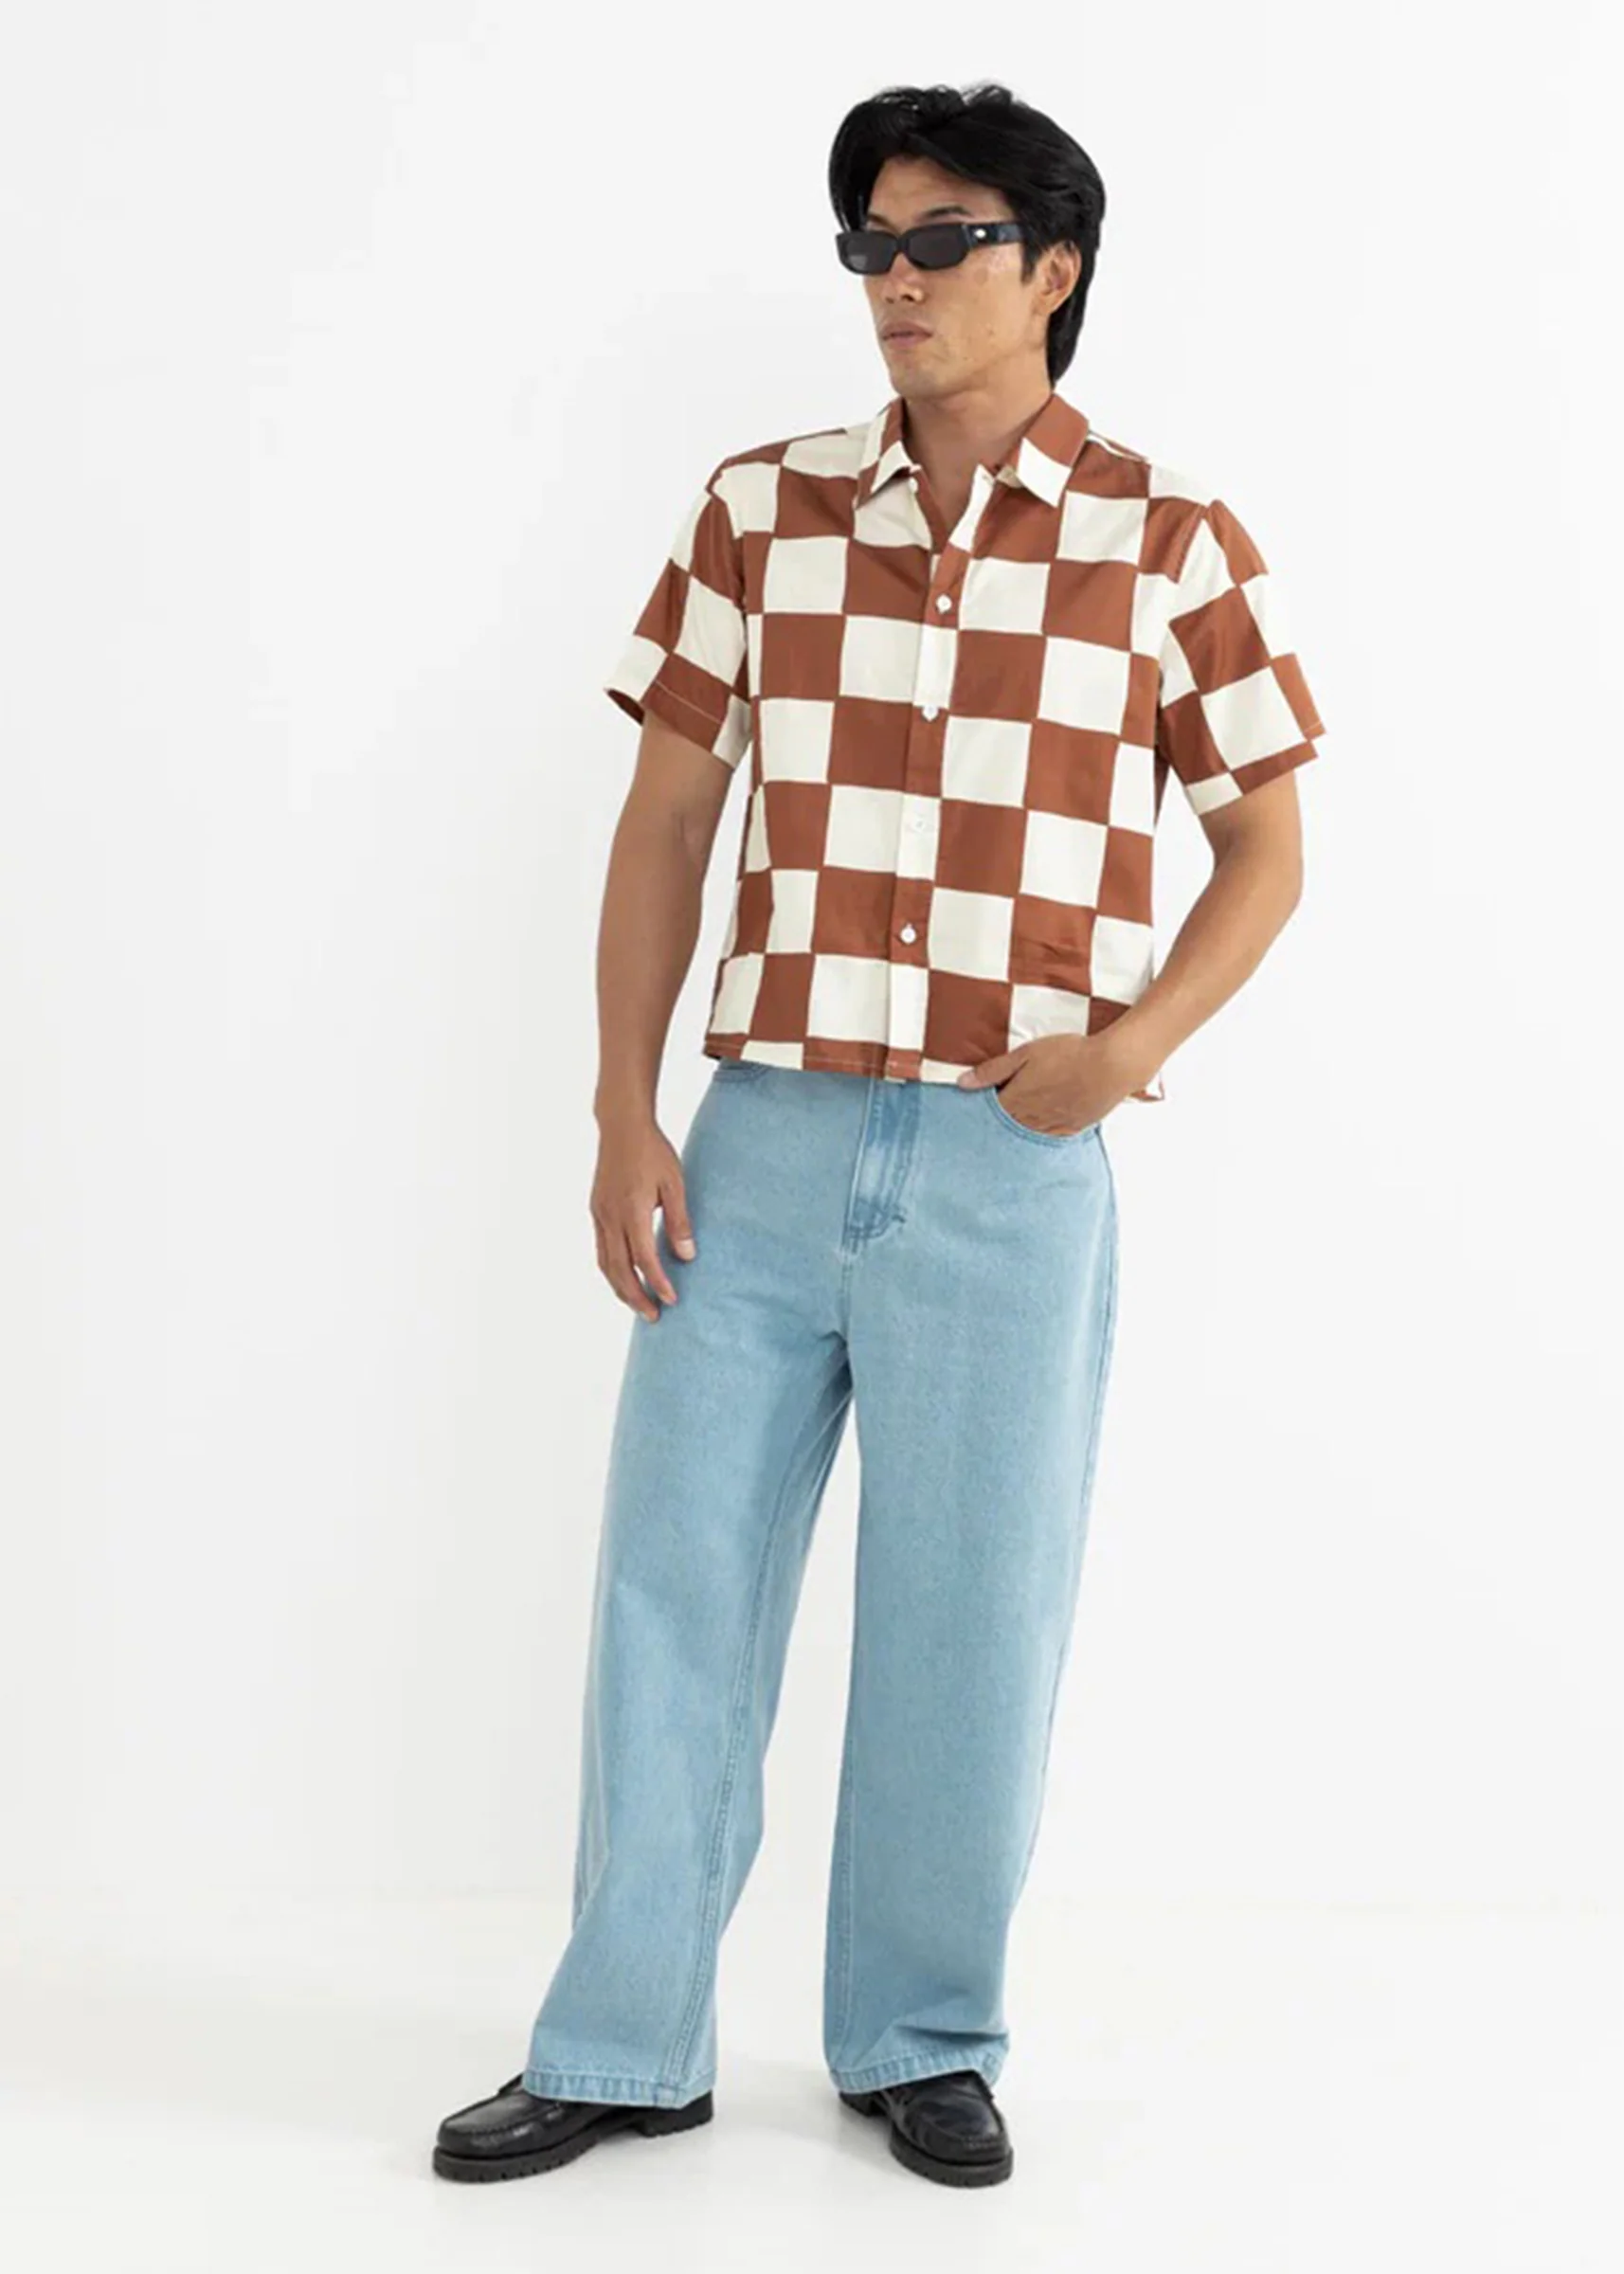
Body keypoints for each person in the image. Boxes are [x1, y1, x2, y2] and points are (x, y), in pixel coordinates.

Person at [433, 77, 1327, 2193]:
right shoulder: (761, 513)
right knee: (672, 1591)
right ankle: (624, 2043)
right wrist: (621, 1108)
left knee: (969, 1618)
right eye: (871, 245)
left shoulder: (1169, 540)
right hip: (755, 1142)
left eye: (943, 241)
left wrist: (1130, 1048)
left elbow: (1268, 845)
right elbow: (667, 818)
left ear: (1054, 268)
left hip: (1012, 1166)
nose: (896, 281)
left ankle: (922, 2037)